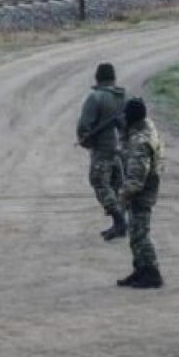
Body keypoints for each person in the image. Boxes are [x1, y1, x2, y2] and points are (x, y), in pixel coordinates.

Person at [116, 97, 164, 289]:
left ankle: (152, 274)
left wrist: (122, 197)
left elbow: (136, 180)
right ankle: (141, 269)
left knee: (140, 235)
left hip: (141, 195)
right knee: (136, 233)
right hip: (145, 191)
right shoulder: (146, 128)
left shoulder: (139, 142)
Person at [76, 63, 127, 241]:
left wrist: (87, 142)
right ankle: (119, 223)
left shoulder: (95, 98)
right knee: (115, 186)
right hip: (121, 150)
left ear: (97, 78)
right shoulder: (125, 97)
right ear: (113, 78)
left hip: (103, 150)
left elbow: (84, 126)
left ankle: (120, 221)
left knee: (99, 183)